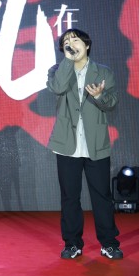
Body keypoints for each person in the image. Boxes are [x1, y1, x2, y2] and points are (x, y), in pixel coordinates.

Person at [46, 28, 122, 260]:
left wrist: (99, 96)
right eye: (66, 42)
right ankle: (72, 244)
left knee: (102, 196)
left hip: (95, 143)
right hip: (67, 143)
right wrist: (68, 62)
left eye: (75, 40)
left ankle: (109, 243)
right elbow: (58, 87)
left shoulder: (103, 72)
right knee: (70, 197)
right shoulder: (57, 70)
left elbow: (112, 103)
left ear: (87, 45)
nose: (71, 43)